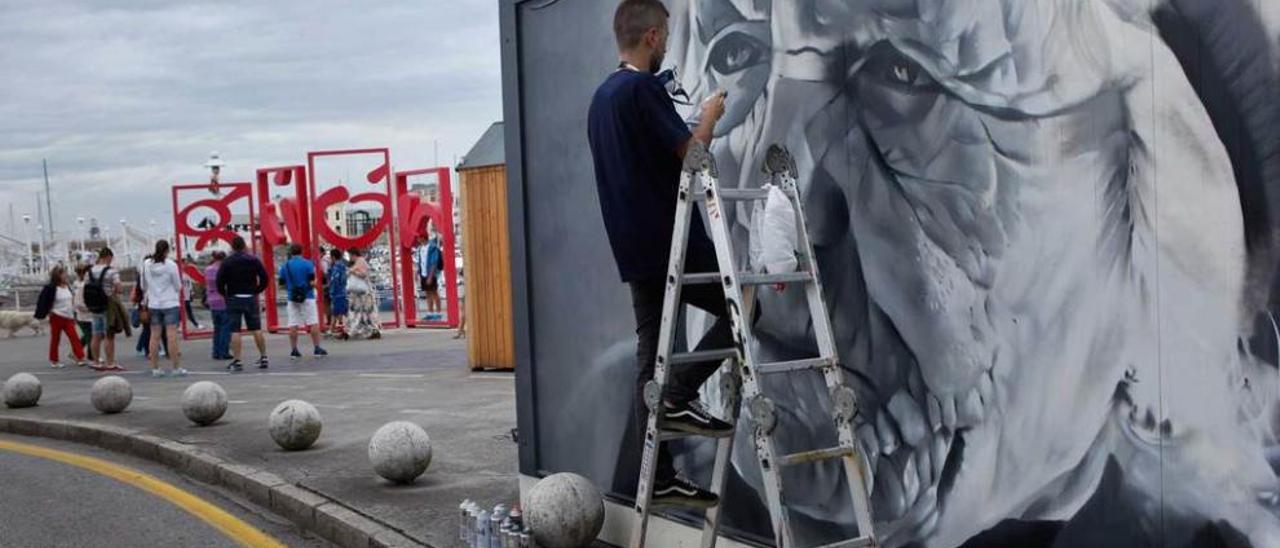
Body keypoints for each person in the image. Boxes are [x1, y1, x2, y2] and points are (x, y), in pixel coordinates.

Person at [587, 0, 731, 508]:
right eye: (665, 33)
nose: (668, 41)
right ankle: (680, 394)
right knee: (743, 310)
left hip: (633, 245)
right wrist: (709, 117)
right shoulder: (642, 89)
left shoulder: (602, 98)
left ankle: (659, 475)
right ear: (651, 37)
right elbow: (693, 157)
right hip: (671, 242)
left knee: (650, 354)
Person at [216, 236, 270, 372]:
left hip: (234, 297)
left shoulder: (227, 262)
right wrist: (257, 290)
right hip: (250, 297)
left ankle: (237, 360)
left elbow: (219, 281)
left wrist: (225, 294)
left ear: (232, 247)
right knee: (256, 328)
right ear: (244, 246)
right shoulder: (253, 260)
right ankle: (263, 357)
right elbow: (264, 277)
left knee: (235, 330)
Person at [141, 240, 186, 377]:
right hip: (170, 302)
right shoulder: (171, 265)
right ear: (167, 251)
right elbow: (178, 285)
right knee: (171, 336)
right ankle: (176, 367)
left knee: (154, 336)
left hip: (154, 303)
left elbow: (143, 285)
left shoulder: (147, 264)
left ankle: (155, 368)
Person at [278, 243, 328, 359]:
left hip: (292, 297)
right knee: (313, 322)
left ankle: (294, 350)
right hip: (308, 296)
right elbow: (311, 282)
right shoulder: (308, 264)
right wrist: (317, 286)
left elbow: (280, 285)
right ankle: (316, 348)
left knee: (293, 323)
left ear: (291, 252)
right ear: (301, 252)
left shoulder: (285, 266)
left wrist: (291, 288)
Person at [34, 265, 88, 368]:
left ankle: (80, 357)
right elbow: (43, 301)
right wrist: (47, 312)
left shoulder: (68, 286)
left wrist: (76, 310)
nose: (66, 275)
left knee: (74, 337)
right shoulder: (50, 288)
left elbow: (71, 299)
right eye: (63, 273)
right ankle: (54, 360)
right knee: (55, 339)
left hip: (69, 316)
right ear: (57, 275)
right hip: (57, 316)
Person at [88, 247, 126, 371]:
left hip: (94, 306)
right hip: (108, 305)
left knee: (96, 335)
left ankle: (95, 361)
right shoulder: (111, 271)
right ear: (108, 257)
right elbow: (119, 288)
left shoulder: (91, 271)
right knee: (109, 335)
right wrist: (114, 291)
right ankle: (110, 362)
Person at [345, 248, 381, 339]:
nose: (349, 257)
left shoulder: (360, 262)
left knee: (364, 311)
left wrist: (353, 271)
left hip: (363, 290)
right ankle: (362, 330)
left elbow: (363, 274)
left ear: (354, 255)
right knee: (363, 311)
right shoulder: (358, 262)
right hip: (360, 291)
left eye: (350, 255)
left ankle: (370, 330)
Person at [204, 251, 231, 359]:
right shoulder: (225, 269)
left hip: (212, 300)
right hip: (223, 300)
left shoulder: (208, 269)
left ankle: (216, 351)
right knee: (225, 328)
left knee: (217, 328)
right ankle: (224, 352)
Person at [325, 247, 350, 340]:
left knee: (339, 312)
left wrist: (330, 289)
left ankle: (345, 330)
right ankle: (332, 329)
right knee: (338, 312)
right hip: (343, 291)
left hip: (337, 293)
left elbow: (334, 280)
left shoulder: (336, 267)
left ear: (333, 257)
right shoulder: (343, 266)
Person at [72, 264, 95, 363]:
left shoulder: (87, 283)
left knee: (87, 335)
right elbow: (77, 301)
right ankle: (92, 356)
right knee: (89, 335)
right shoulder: (78, 284)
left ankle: (75, 352)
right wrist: (88, 309)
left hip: (88, 313)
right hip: (81, 313)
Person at [418, 235, 443, 314]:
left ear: (423, 237)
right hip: (423, 274)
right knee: (427, 293)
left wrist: (430, 276)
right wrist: (419, 273)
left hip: (431, 274)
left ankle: (438, 312)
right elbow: (421, 262)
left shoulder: (432, 247)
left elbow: (434, 262)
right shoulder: (421, 248)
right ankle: (430, 312)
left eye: (418, 237)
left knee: (434, 292)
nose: (417, 239)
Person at [181, 255, 202, 330]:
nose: (186, 264)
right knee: (182, 311)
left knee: (187, 310)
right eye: (184, 263)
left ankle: (195, 324)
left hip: (186, 294)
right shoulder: (178, 273)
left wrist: (191, 291)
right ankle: (182, 325)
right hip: (180, 295)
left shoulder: (187, 273)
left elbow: (189, 283)